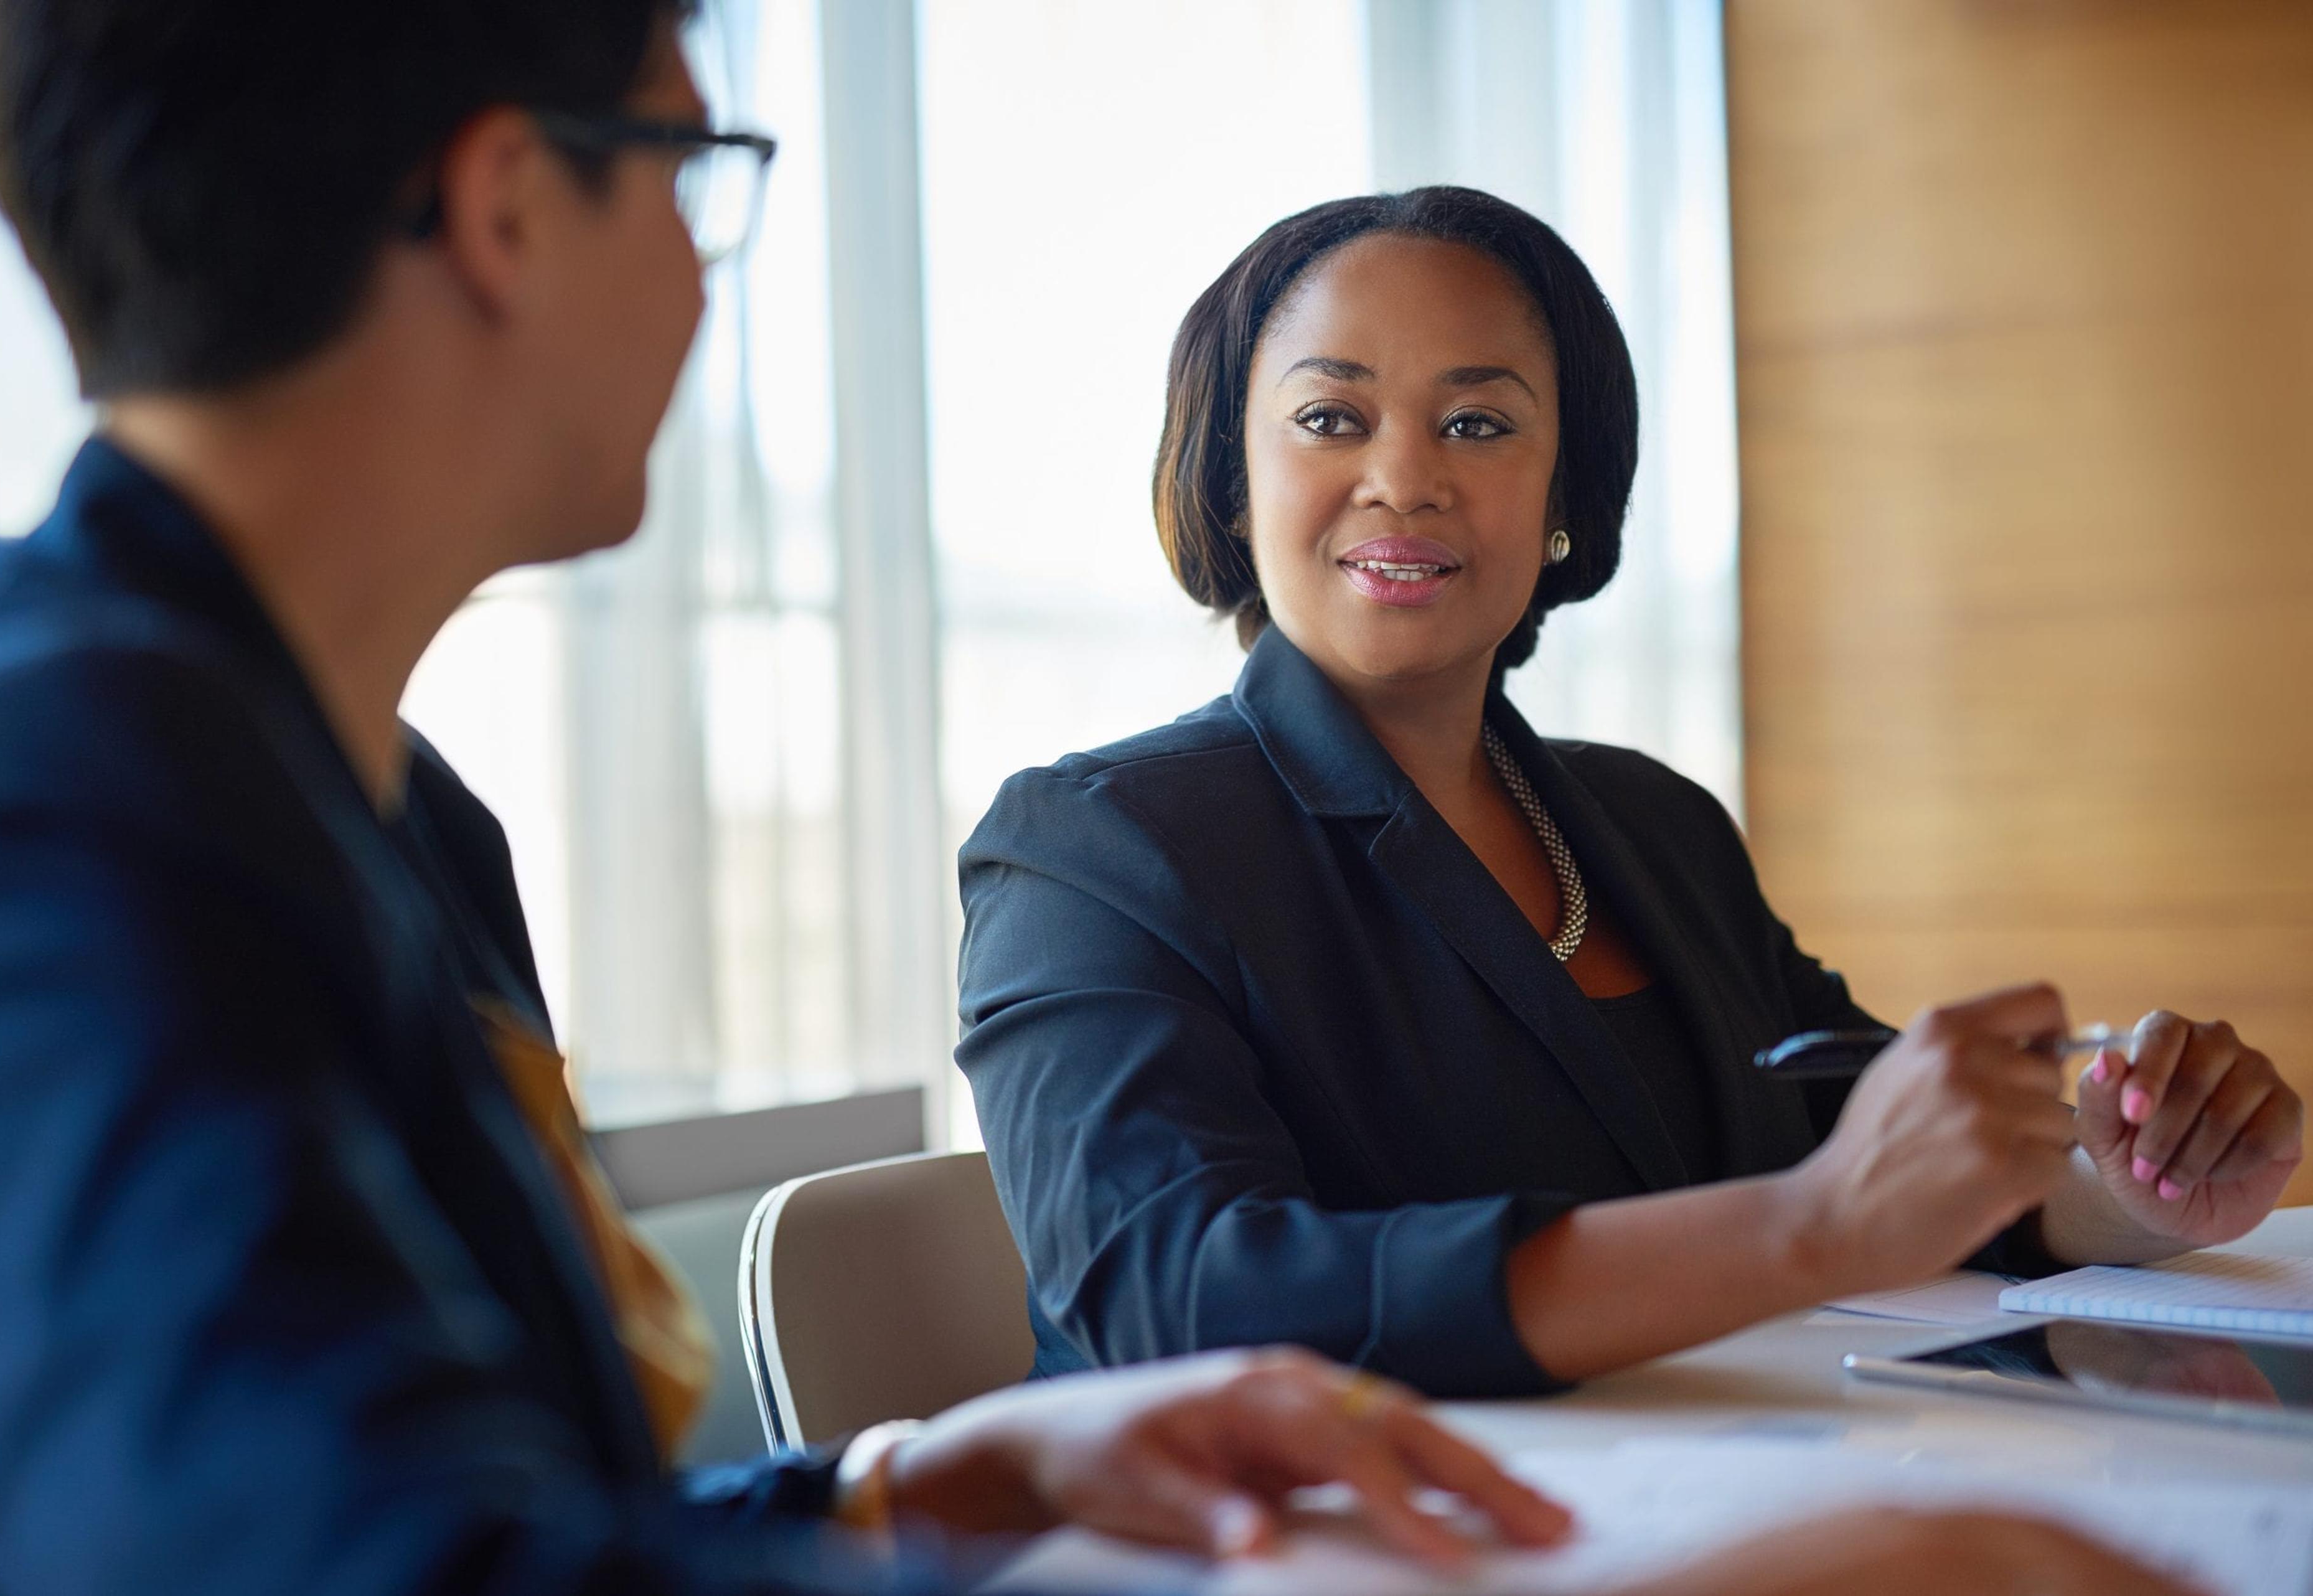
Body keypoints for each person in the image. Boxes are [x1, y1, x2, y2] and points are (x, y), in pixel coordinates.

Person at [0, 2, 2201, 1590]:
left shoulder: (382, 813)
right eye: (697, 171)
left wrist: (905, 1488)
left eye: (1485, 422)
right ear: (513, 206)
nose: (712, 292)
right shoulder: (51, 821)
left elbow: (496, 1519)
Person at [955, 187, 2302, 1398]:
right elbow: (1175, 1302)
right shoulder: (1091, 848)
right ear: (1235, 487)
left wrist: (2126, 1188)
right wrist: (1808, 1227)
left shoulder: (1652, 827)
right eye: (1330, 418)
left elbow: (1883, 1161)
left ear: (1560, 499)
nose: (1405, 476)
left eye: (1477, 422)